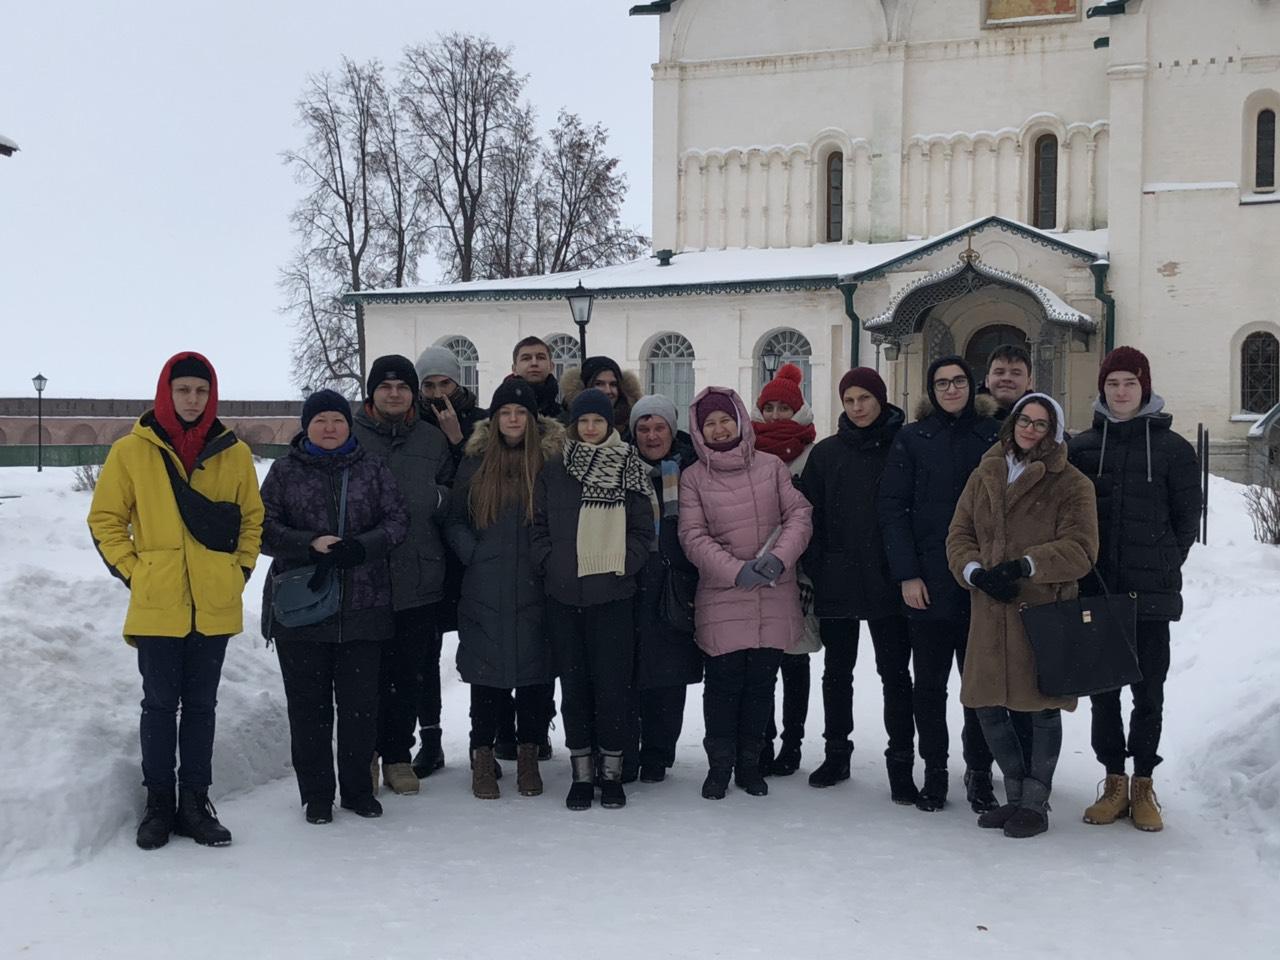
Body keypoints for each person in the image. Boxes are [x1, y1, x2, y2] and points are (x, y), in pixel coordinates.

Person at [88, 351, 264, 850]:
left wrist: (240, 571)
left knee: (203, 707)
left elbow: (253, 519)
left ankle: (195, 802)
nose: (192, 399)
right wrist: (136, 571)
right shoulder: (132, 451)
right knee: (160, 706)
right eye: (183, 390)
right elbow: (105, 519)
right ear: (166, 392)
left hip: (214, 602)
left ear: (212, 396)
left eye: (201, 391)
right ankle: (159, 804)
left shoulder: (232, 453)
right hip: (158, 602)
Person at [946, 393, 1098, 838]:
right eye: (1024, 420)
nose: (1030, 429)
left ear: (1054, 432)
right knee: (989, 707)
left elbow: (1082, 550)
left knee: (1042, 711)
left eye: (1041, 424)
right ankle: (1014, 798)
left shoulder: (1071, 483)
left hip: (1041, 614)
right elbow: (959, 533)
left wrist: (1027, 564)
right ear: (1012, 423)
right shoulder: (986, 472)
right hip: (989, 612)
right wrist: (974, 572)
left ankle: (1035, 803)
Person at [259, 390, 409, 824]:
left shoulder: (372, 469)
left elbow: (398, 521)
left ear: (349, 425)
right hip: (302, 608)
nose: (329, 428)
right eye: (321, 420)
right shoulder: (284, 473)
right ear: (306, 426)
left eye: (337, 420)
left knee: (361, 708)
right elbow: (262, 526)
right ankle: (317, 794)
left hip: (365, 606)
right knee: (309, 709)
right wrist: (308, 544)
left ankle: (358, 790)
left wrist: (361, 548)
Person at [1068, 346, 1201, 832]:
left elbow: (1187, 519)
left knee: (1149, 692)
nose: (1121, 392)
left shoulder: (1173, 450)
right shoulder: (1082, 448)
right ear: (1101, 390)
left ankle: (1144, 785)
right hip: (1099, 588)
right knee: (1104, 693)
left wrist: (1165, 560)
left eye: (1129, 383)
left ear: (1144, 386)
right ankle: (1113, 781)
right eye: (1112, 384)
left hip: (1151, 594)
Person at [878, 356, 1002, 813]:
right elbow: (893, 508)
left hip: (981, 584)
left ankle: (980, 772)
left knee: (980, 688)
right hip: (928, 583)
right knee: (929, 687)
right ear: (931, 391)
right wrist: (907, 573)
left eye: (958, 381)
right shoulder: (912, 439)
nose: (951, 390)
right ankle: (935, 772)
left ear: (973, 386)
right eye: (941, 383)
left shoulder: (993, 436)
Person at [679, 387, 813, 800]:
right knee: (722, 687)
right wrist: (737, 571)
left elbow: (799, 515)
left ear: (739, 420)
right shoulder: (693, 477)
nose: (719, 430)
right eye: (710, 424)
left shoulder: (771, 467)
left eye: (725, 420)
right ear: (700, 431)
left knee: (760, 686)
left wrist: (778, 559)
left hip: (774, 594)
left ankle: (751, 765)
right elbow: (692, 535)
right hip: (723, 596)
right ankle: (720, 766)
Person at [531, 388, 654, 810]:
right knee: (575, 689)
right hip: (564, 597)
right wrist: (550, 562)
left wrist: (624, 562)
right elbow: (539, 526)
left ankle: (612, 773)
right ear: (573, 425)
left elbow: (643, 530)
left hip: (613, 596)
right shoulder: (554, 469)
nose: (589, 428)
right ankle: (581, 772)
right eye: (583, 421)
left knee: (613, 689)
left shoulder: (629, 467)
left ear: (610, 424)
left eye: (597, 421)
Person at [443, 378, 564, 800]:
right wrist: (472, 554)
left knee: (535, 676)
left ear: (533, 420)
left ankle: (528, 758)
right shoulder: (475, 461)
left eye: (520, 413)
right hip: (485, 586)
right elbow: (455, 518)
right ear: (494, 420)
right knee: (486, 679)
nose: (513, 420)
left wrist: (549, 559)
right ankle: (482, 756)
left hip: (537, 585)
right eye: (505, 413)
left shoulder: (550, 462)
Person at [800, 368, 915, 801]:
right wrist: (823, 564)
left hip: (890, 580)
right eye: (849, 400)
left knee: (894, 675)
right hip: (838, 579)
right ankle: (836, 752)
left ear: (880, 399)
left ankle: (901, 760)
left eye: (864, 398)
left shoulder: (903, 447)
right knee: (836, 673)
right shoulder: (826, 455)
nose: (857, 407)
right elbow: (808, 514)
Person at [352, 355, 454, 795]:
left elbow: (455, 493)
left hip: (418, 574)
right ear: (372, 392)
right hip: (363, 577)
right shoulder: (350, 438)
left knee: (408, 673)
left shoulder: (432, 440)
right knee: (364, 674)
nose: (394, 393)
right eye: (385, 386)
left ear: (413, 394)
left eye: (402, 386)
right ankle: (366, 756)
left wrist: (435, 500)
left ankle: (397, 755)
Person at [622, 394, 703, 784]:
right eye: (644, 428)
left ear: (673, 430)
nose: (652, 436)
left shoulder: (692, 469)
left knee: (670, 674)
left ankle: (659, 752)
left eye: (659, 428)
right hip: (632, 579)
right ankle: (629, 748)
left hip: (676, 580)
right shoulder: (620, 468)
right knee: (629, 669)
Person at [752, 363, 820, 777]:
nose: (777, 415)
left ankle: (792, 743)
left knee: (795, 660)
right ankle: (763, 738)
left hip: (802, 569)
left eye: (784, 407)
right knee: (762, 662)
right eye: (770, 407)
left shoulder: (815, 453)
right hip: (757, 568)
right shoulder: (750, 451)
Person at [414, 346, 488, 465]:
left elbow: (485, 472)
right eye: (429, 386)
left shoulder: (482, 422)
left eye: (445, 384)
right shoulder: (411, 422)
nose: (438, 394)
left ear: (457, 383)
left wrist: (457, 439)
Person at [560, 355, 643, 442]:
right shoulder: (564, 426)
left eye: (613, 384)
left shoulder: (633, 426)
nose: (608, 390)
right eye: (599, 384)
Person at [511, 336, 563, 419]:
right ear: (514, 369)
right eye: (526, 358)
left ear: (551, 366)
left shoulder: (567, 419)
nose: (534, 363)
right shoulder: (496, 418)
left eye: (540, 357)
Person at [982, 343, 1034, 421]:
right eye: (999, 372)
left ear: (1029, 383)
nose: (1007, 378)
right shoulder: (968, 419)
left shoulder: (1041, 418)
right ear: (987, 380)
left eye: (1016, 373)